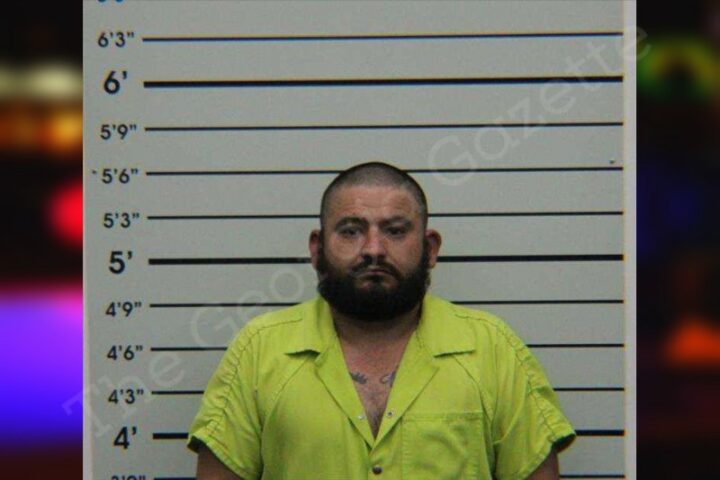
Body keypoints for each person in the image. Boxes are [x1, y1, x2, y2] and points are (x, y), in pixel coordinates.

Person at [187, 162, 576, 479]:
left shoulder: (492, 349)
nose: (373, 249)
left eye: (395, 230)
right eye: (351, 231)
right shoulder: (260, 350)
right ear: (317, 249)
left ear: (430, 247)